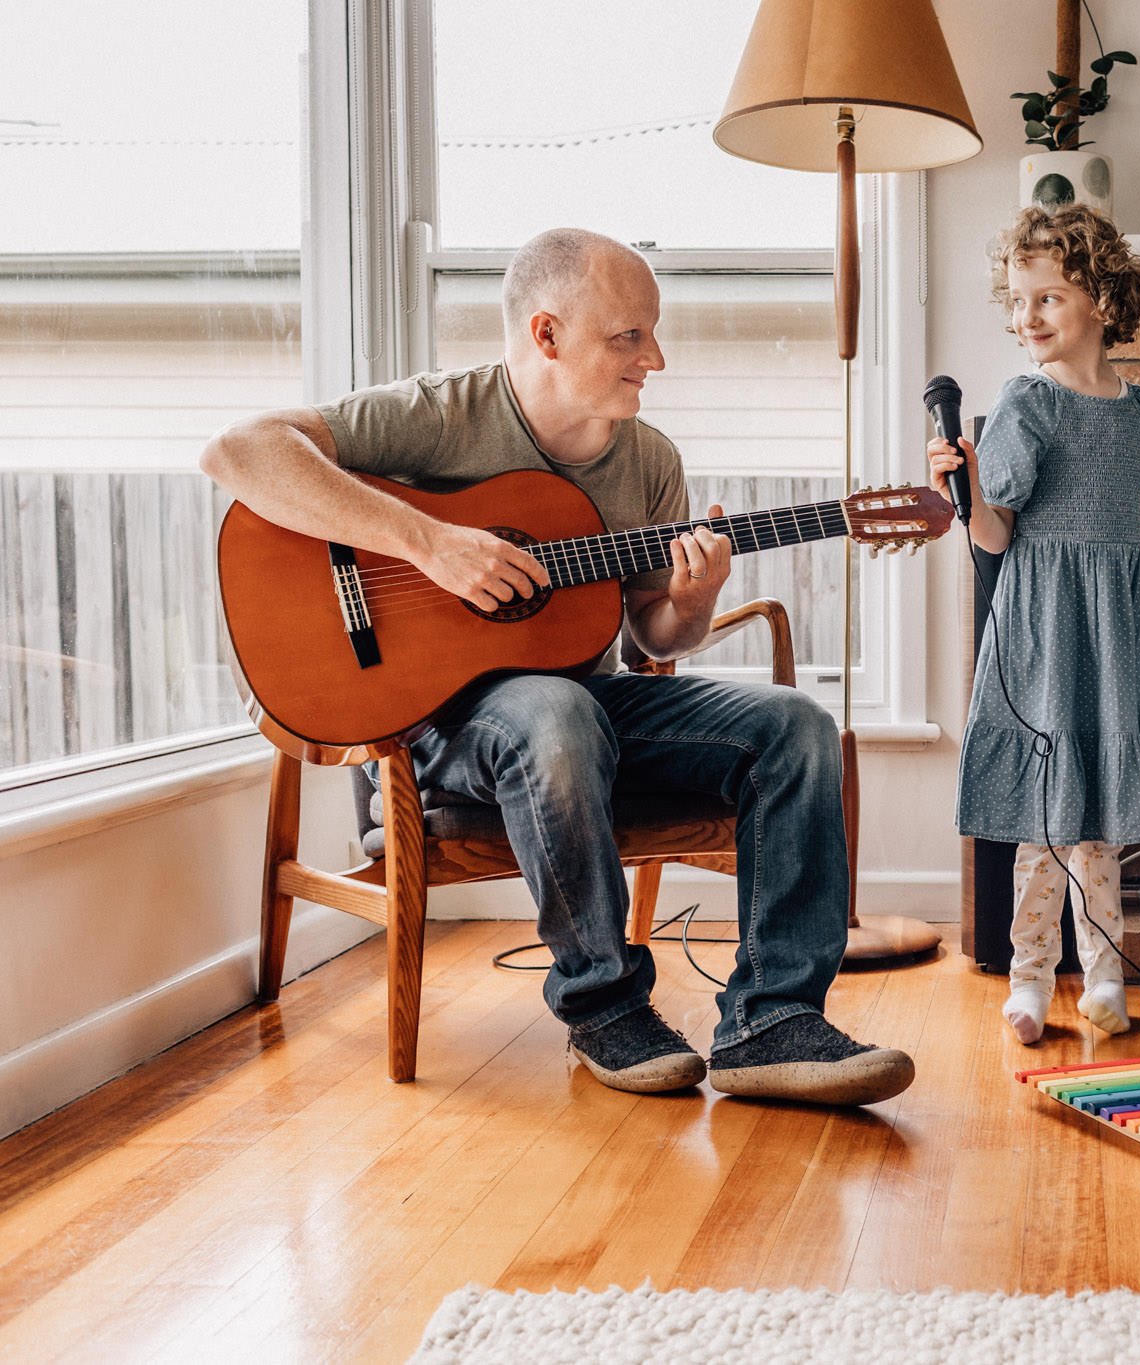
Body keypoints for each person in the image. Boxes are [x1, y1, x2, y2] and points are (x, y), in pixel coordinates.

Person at [199, 228, 913, 1106]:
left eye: (651, 334)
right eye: (629, 336)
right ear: (546, 334)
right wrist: (429, 544)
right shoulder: (440, 413)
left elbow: (651, 634)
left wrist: (688, 605)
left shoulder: (648, 459)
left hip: (587, 702)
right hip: (444, 722)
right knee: (553, 711)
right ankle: (604, 1007)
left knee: (795, 727)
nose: (655, 357)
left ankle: (773, 1020)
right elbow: (236, 450)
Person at [926, 205, 1140, 1045]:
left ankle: (1105, 976)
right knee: (1048, 814)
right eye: (1016, 301)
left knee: (1100, 817)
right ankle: (1031, 976)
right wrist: (957, 495)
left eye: (1045, 299)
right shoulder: (1025, 403)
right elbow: (997, 531)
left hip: (1120, 632)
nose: (1024, 318)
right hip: (1042, 625)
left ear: (1103, 300)